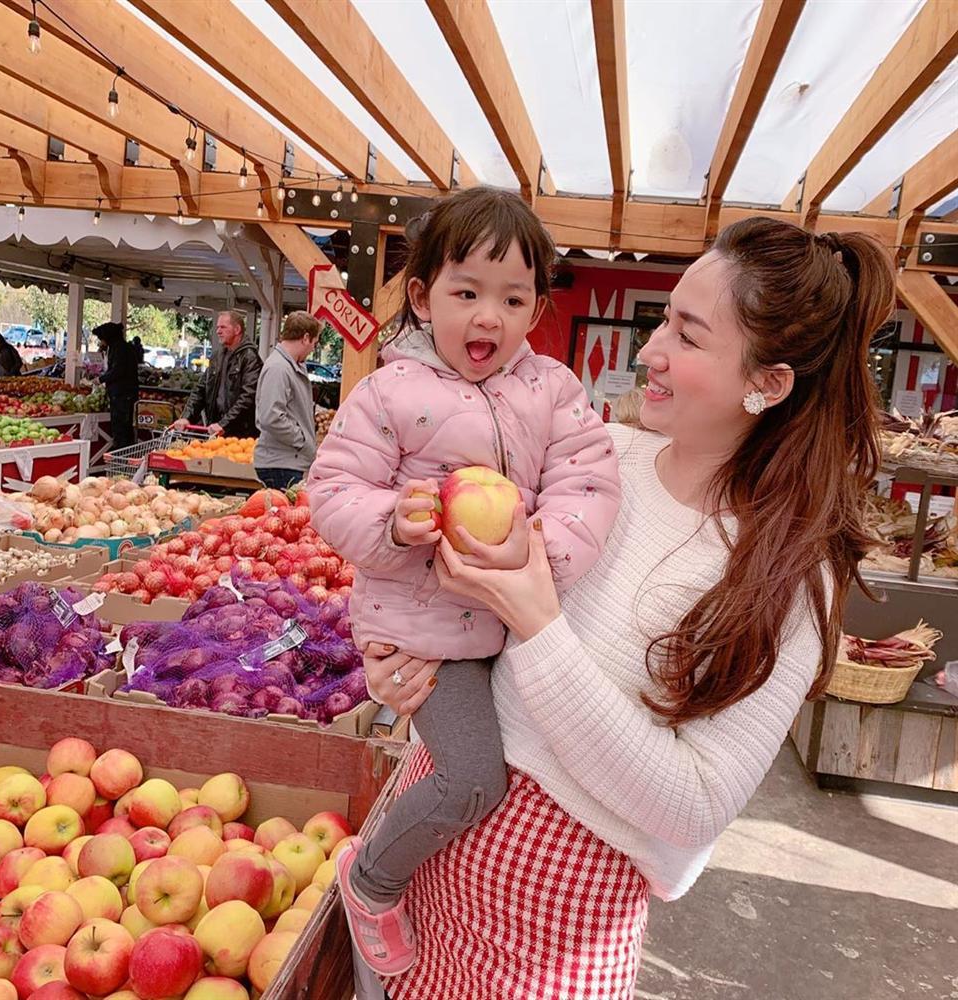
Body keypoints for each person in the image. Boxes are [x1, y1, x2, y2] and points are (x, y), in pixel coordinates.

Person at [362, 217, 896, 999]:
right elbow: (460, 611)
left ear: (770, 383)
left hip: (560, 925)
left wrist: (542, 627)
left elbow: (697, 804)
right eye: (663, 322)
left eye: (687, 334)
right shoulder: (597, 457)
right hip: (428, 834)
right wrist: (398, 666)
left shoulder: (788, 578)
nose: (648, 351)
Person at [306, 187, 622, 978]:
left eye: (514, 298)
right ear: (422, 296)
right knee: (474, 778)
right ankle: (372, 877)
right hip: (426, 635)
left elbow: (588, 481)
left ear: (536, 307)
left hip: (507, 626)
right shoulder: (388, 393)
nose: (490, 317)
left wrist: (538, 564)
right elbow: (333, 489)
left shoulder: (551, 390)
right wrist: (393, 521)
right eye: (467, 293)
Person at [254, 311, 320, 490]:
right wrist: (302, 440)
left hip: (287, 461)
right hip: (282, 464)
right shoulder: (279, 368)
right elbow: (271, 417)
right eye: (314, 342)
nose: (313, 348)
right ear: (305, 338)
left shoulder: (289, 365)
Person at [172, 311, 261, 437]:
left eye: (223, 327)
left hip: (240, 435)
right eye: (217, 327)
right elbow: (201, 389)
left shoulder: (250, 357)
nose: (218, 331)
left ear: (237, 329)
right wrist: (186, 417)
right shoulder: (217, 356)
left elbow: (248, 397)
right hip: (216, 430)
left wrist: (224, 424)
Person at [93, 321, 139, 451]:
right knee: (124, 428)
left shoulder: (119, 349)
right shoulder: (120, 347)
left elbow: (117, 371)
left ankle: (121, 455)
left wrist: (101, 379)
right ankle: (123, 453)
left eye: (101, 339)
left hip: (122, 396)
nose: (101, 342)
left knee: (121, 429)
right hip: (123, 394)